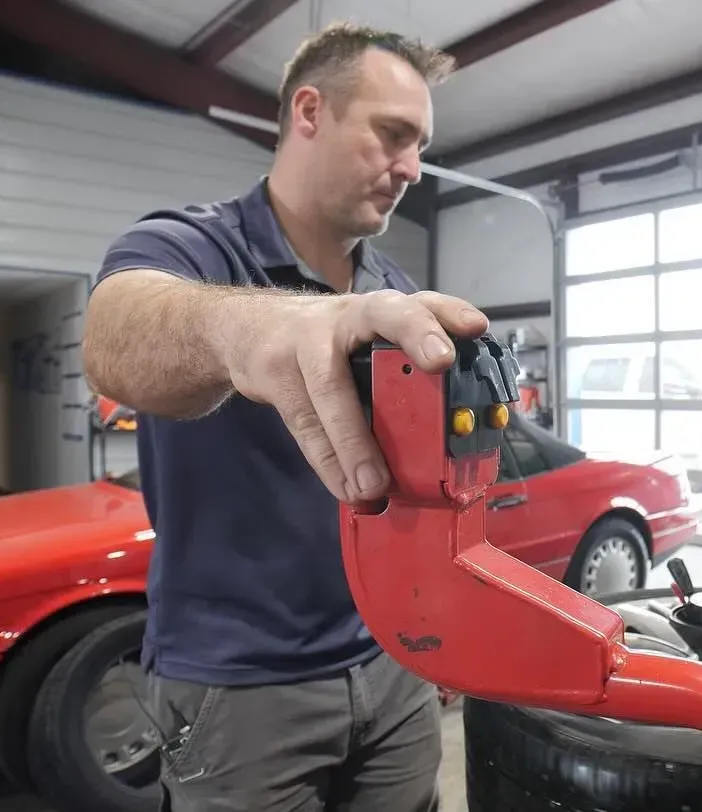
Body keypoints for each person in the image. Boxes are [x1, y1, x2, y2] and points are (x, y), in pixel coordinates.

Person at [82, 21, 486, 812]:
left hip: (390, 665)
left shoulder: (393, 290)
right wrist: (256, 327)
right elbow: (115, 335)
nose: (412, 168)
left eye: (421, 145)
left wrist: (433, 636)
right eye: (393, 134)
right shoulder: (191, 249)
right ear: (310, 110)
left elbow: (419, 499)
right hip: (237, 686)